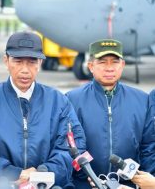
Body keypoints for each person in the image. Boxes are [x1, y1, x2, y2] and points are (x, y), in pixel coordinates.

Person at [0, 31, 86, 188]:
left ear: (40, 63)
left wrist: (43, 172)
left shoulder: (59, 102)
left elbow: (72, 146)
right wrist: (10, 172)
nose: (25, 70)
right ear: (6, 61)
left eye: (32, 62)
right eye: (18, 61)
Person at [66, 39, 155, 189]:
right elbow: (70, 145)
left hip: (128, 186)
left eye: (114, 62)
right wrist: (87, 176)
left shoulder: (142, 100)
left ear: (122, 65)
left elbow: (148, 148)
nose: (109, 68)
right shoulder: (71, 100)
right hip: (85, 185)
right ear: (90, 66)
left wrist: (145, 180)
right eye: (102, 62)